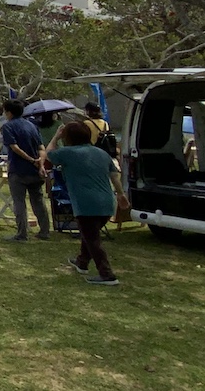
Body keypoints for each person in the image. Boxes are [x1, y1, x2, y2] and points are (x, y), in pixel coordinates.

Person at [46, 121, 128, 286]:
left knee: (93, 239)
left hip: (85, 203)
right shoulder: (101, 153)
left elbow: (48, 154)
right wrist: (120, 194)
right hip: (106, 202)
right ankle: (82, 262)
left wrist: (55, 137)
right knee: (90, 234)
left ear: (68, 137)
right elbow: (114, 176)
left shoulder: (68, 153)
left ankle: (107, 275)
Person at [0, 99, 51, 242]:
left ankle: (22, 234)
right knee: (38, 201)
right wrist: (40, 164)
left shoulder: (8, 127)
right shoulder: (32, 126)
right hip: (35, 171)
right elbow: (41, 148)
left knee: (19, 203)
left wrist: (30, 159)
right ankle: (45, 231)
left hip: (18, 170)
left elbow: (14, 148)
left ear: (9, 112)